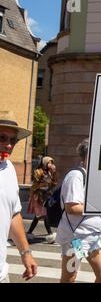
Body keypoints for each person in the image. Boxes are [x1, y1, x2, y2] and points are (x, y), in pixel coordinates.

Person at [55, 138, 101, 283]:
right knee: (70, 277)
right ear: (85, 157)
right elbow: (72, 207)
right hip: (76, 238)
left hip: (93, 236)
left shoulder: (95, 177)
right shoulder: (76, 175)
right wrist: (100, 207)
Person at [0, 111, 38, 282]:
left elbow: (13, 213)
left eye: (13, 140)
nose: (8, 145)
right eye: (2, 138)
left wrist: (25, 252)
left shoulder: (8, 169)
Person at [26, 156, 58, 243]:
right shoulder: (37, 171)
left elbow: (54, 183)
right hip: (38, 196)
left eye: (52, 162)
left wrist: (53, 174)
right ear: (44, 162)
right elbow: (37, 183)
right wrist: (45, 178)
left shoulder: (50, 172)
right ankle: (50, 234)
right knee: (44, 215)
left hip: (46, 196)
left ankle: (29, 232)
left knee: (38, 217)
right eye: (49, 162)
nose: (51, 164)